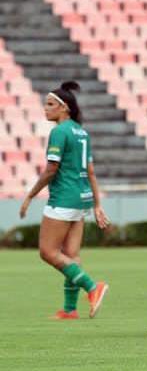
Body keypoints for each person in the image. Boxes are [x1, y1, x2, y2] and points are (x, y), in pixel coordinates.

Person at [19, 81, 109, 319]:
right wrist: (97, 204)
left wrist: (30, 195)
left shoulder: (59, 132)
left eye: (50, 104)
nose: (45, 109)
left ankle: (92, 287)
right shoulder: (81, 132)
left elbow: (51, 169)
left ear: (65, 107)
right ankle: (70, 309)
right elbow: (90, 171)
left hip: (64, 198)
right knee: (70, 255)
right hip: (81, 199)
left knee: (48, 252)